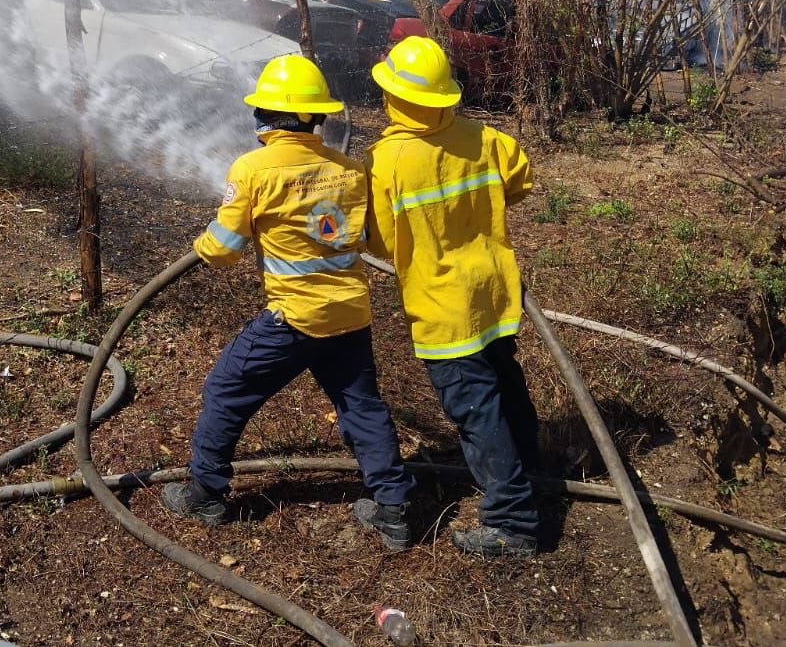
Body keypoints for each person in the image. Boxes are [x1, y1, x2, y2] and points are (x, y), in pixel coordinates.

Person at [161, 54, 417, 550]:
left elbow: (223, 251)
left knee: (224, 390)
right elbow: (370, 237)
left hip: (294, 320)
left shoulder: (252, 170)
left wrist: (206, 241)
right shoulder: (350, 170)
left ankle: (205, 494)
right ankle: (393, 509)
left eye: (261, 109)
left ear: (270, 118)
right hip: (349, 314)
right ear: (314, 116)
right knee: (361, 406)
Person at [365, 35, 543, 558]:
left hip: (445, 310)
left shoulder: (385, 162)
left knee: (476, 411)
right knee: (506, 385)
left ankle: (512, 522)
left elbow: (379, 241)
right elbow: (519, 183)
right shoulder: (487, 138)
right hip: (494, 294)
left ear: (394, 97)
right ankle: (531, 470)